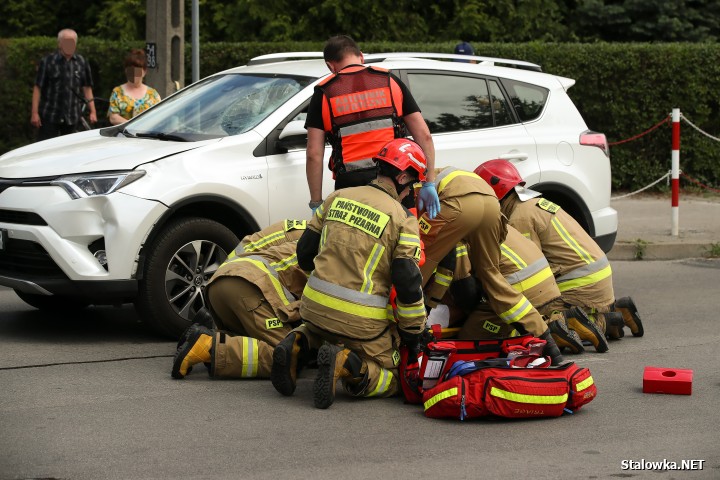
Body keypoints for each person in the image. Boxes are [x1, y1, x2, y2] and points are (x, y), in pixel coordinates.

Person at [271, 138, 428, 409]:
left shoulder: (336, 198)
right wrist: (414, 333)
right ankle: (348, 364)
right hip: (361, 322)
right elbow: (406, 280)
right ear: (403, 176)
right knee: (393, 375)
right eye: (413, 184)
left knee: (322, 330)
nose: (411, 193)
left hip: (313, 308)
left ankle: (299, 341)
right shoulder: (404, 220)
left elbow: (305, 253)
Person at [474, 159, 644, 351]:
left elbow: (528, 268)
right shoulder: (533, 203)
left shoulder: (518, 218)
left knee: (540, 322)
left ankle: (600, 321)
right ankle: (615, 311)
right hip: (594, 280)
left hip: (581, 285)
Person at [415, 166, 566, 365]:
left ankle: (410, 336)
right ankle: (550, 347)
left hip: (458, 205)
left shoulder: (411, 188)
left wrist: (425, 306)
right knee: (493, 280)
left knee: (419, 268)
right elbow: (449, 264)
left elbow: (459, 283)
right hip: (490, 202)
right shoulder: (442, 173)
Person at [304, 35, 440, 218]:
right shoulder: (390, 81)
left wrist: (316, 203)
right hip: (396, 179)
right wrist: (428, 183)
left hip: (351, 185)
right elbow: (424, 136)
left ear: (330, 66)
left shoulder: (324, 93)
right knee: (405, 238)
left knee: (357, 241)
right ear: (361, 56)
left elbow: (314, 153)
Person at [172, 220, 309, 380]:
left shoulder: (302, 228)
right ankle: (209, 346)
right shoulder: (329, 253)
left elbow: (246, 247)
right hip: (250, 288)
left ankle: (211, 331)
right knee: (290, 354)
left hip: (220, 282)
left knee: (256, 341)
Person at [31, 29, 97, 141]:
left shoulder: (81, 62)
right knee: (46, 149)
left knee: (70, 150)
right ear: (59, 43)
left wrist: (93, 111)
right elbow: (38, 88)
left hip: (73, 116)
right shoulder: (48, 61)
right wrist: (34, 113)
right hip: (50, 115)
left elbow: (87, 88)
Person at [108, 49, 161, 125]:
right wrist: (132, 125)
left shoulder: (153, 95)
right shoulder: (117, 92)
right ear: (126, 70)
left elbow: (159, 117)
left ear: (145, 71)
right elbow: (113, 118)